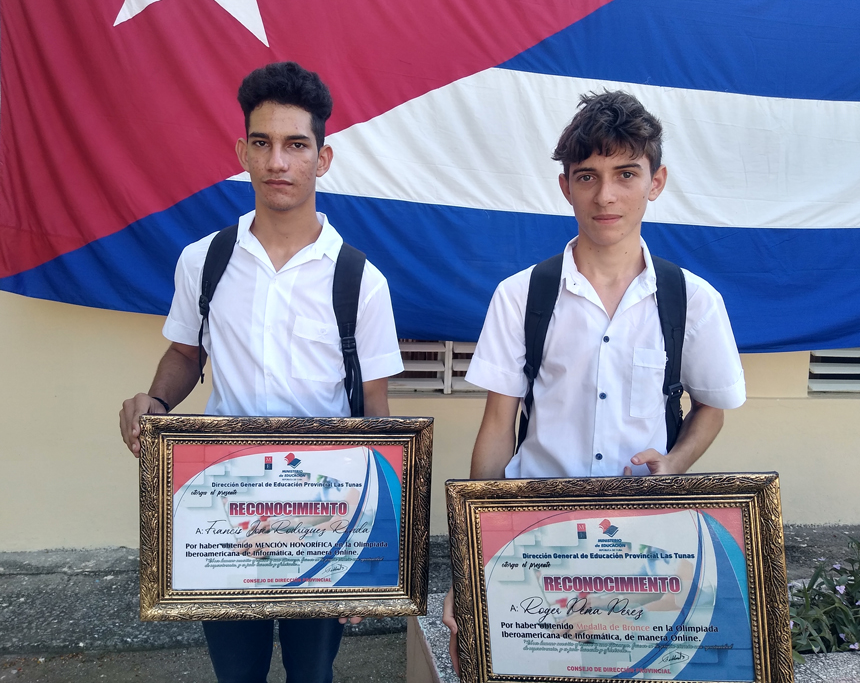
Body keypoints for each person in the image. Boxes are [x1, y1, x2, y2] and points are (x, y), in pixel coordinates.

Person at [441, 90, 746, 673]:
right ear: (566, 187)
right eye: (588, 176)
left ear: (656, 182)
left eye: (626, 174)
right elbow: (497, 430)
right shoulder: (520, 296)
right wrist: (470, 557)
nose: (606, 196)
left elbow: (712, 407)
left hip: (645, 547)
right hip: (534, 538)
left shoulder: (694, 301)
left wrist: (675, 465)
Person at [119, 61, 403, 683]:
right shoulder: (206, 261)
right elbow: (185, 355)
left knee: (312, 675)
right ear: (242, 152)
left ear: (322, 159)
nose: (279, 161)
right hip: (226, 512)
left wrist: (376, 554)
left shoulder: (360, 280)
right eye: (263, 143)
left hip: (324, 519)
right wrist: (156, 404)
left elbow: (378, 418)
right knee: (236, 673)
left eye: (296, 145)